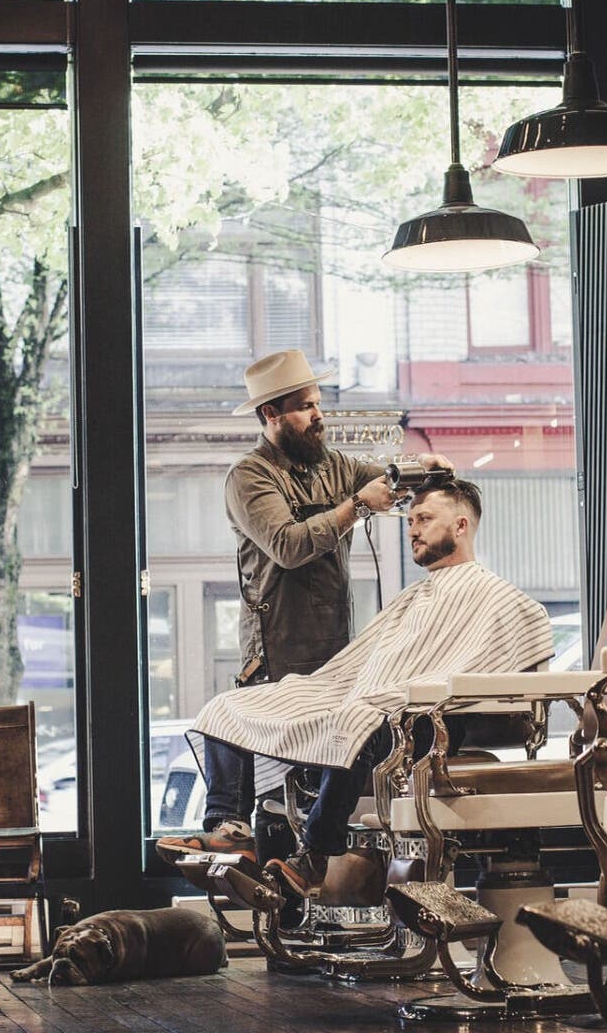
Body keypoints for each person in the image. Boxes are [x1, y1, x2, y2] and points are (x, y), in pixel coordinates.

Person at [173, 478, 551, 896]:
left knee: (357, 717)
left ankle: (315, 854)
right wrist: (330, 692)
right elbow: (365, 667)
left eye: (424, 519)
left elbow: (505, 664)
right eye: (409, 521)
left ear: (461, 526)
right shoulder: (415, 595)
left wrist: (389, 696)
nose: (413, 530)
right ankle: (232, 828)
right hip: (371, 706)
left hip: (428, 722)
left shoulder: (504, 598)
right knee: (226, 707)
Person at [159, 348, 446, 859]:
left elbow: (387, 477)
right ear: (271, 415)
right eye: (304, 407)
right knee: (261, 770)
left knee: (325, 762)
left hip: (334, 649)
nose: (319, 416)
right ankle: (241, 838)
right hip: (276, 649)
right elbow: (289, 546)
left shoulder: (333, 466)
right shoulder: (249, 478)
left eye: (318, 404)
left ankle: (310, 867)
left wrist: (423, 469)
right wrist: (357, 506)